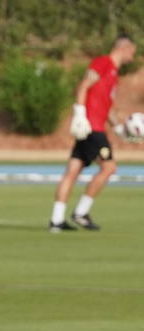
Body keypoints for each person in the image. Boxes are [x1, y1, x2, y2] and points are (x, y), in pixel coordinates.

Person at [51, 34, 136, 232]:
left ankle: (56, 220)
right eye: (132, 51)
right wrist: (79, 114)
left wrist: (119, 129)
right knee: (109, 167)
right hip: (92, 128)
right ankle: (81, 212)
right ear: (123, 48)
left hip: (95, 126)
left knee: (72, 170)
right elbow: (83, 86)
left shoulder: (113, 73)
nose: (133, 56)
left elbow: (107, 107)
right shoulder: (103, 63)